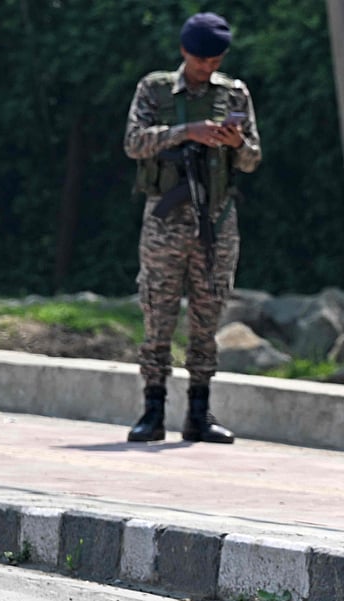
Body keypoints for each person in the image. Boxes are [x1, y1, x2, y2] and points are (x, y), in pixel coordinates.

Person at [123, 11, 261, 444]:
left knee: (208, 314)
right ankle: (152, 410)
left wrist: (236, 142)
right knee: (158, 313)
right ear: (185, 52)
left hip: (216, 221)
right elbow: (133, 142)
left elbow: (253, 158)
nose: (208, 68)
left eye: (216, 60)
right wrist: (187, 132)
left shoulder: (234, 93)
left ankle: (199, 413)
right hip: (165, 221)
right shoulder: (155, 88)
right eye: (202, 60)